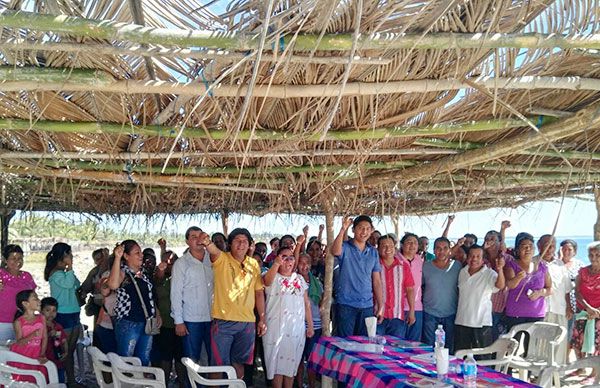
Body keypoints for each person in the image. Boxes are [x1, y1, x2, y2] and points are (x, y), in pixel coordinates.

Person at [199, 228, 266, 380]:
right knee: (217, 366)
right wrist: (207, 242)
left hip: (247, 323)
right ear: (230, 243)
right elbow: (213, 251)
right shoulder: (222, 258)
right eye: (237, 240)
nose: (241, 244)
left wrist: (262, 319)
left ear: (250, 245)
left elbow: (259, 292)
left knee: (239, 364)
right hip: (223, 323)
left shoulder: (254, 264)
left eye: (245, 241)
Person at [263, 247, 314, 388]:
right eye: (284, 257)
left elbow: (306, 304)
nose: (288, 260)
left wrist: (309, 325)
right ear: (277, 258)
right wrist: (276, 264)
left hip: (296, 330)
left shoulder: (298, 279)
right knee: (276, 365)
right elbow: (266, 282)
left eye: (291, 257)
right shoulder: (272, 276)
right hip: (275, 329)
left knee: (291, 365)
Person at [107, 240, 160, 365]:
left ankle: (139, 384)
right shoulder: (123, 273)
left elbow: (149, 297)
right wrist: (117, 258)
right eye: (137, 253)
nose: (141, 255)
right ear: (126, 256)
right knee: (126, 361)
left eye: (140, 252)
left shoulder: (143, 274)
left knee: (144, 359)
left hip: (146, 322)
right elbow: (113, 285)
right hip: (129, 322)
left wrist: (156, 313)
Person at [331, 216, 383, 337]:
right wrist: (343, 229)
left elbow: (376, 281)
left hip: (367, 305)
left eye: (367, 229)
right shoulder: (345, 247)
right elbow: (335, 251)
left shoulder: (373, 252)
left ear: (371, 230)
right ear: (353, 230)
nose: (364, 232)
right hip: (346, 303)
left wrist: (381, 305)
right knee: (345, 343)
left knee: (364, 342)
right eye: (360, 228)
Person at [170, 227, 213, 365]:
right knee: (192, 360)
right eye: (193, 236)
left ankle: (212, 386)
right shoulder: (181, 263)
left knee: (213, 358)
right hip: (191, 320)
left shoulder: (213, 260)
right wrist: (179, 321)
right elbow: (176, 294)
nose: (198, 239)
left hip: (213, 318)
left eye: (200, 235)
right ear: (187, 241)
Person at [454, 245, 505, 353]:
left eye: (478, 256)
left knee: (482, 358)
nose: (474, 259)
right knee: (461, 356)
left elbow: (500, 286)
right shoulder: (463, 272)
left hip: (481, 323)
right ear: (467, 257)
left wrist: (500, 270)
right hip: (462, 321)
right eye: (472, 256)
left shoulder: (489, 273)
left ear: (483, 259)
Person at [44, 242, 81, 385]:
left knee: (69, 351)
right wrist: (70, 268)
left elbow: (77, 283)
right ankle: (65, 380)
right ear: (63, 255)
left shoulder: (65, 273)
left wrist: (69, 270)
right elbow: (69, 284)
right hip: (63, 315)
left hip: (73, 313)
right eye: (69, 253)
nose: (71, 256)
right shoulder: (55, 274)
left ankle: (70, 380)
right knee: (64, 350)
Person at [421, 237, 461, 353]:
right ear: (433, 250)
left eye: (445, 248)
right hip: (430, 313)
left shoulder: (457, 266)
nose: (441, 251)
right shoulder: (426, 266)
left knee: (448, 349)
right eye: (438, 248)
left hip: (450, 314)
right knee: (429, 348)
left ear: (450, 250)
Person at [504, 233, 552, 330]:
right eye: (524, 247)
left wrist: (540, 293)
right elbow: (509, 285)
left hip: (537, 314)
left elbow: (550, 289)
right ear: (517, 250)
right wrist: (517, 278)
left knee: (533, 344)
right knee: (515, 343)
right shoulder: (511, 265)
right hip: (516, 314)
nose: (528, 249)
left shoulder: (542, 266)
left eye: (530, 246)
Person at [154, 247, 186, 388]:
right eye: (166, 261)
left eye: (173, 261)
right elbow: (158, 277)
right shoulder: (158, 279)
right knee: (165, 357)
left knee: (181, 357)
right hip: (165, 325)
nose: (169, 263)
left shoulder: (183, 278)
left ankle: (182, 382)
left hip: (182, 324)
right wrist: (161, 270)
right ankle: (163, 384)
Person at [537, 235, 571, 364]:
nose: (550, 248)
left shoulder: (560, 265)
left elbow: (567, 289)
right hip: (541, 310)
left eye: (553, 245)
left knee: (558, 342)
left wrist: (569, 306)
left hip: (559, 308)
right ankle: (538, 372)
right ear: (539, 246)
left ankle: (555, 373)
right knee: (540, 342)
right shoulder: (534, 263)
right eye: (547, 245)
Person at [377, 234, 415, 337]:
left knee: (396, 349)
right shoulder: (375, 265)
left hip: (397, 317)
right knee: (375, 348)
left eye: (390, 245)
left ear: (395, 248)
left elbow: (410, 289)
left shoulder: (404, 266)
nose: (388, 249)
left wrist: (412, 311)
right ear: (378, 249)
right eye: (384, 246)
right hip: (377, 316)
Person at [0, 244, 37, 342]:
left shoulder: (27, 276)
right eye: (13, 258)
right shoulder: (1, 275)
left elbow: (33, 297)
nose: (17, 261)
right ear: (5, 260)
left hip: (24, 322)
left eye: (20, 258)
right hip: (3, 323)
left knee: (21, 353)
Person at [483, 224, 513, 341]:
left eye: (493, 239)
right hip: (484, 307)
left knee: (496, 339)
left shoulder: (507, 259)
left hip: (501, 307)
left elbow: (508, 282)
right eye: (487, 239)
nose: (489, 242)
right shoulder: (482, 261)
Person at [10, 290, 48, 383]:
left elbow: (45, 337)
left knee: (36, 378)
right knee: (22, 379)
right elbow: (19, 342)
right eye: (35, 299)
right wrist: (31, 336)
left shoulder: (41, 318)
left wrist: (42, 353)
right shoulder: (18, 322)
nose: (39, 301)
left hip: (36, 353)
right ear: (25, 304)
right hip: (22, 354)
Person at [296, 254, 322, 388]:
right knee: (298, 359)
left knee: (312, 358)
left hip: (316, 325)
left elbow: (321, 303)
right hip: (299, 324)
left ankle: (312, 385)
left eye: (308, 263)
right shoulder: (294, 281)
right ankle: (300, 385)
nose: (304, 266)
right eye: (301, 263)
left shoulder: (316, 282)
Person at [571, 242, 600, 360]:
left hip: (598, 313)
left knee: (597, 343)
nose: (593, 258)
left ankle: (594, 373)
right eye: (591, 255)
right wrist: (588, 308)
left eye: (597, 255)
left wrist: (596, 311)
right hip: (583, 311)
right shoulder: (582, 272)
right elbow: (577, 292)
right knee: (579, 341)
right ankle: (580, 367)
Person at [80, 248, 109, 347]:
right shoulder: (94, 272)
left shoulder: (114, 269)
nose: (100, 261)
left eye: (102, 258)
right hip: (98, 307)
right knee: (98, 335)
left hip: (111, 308)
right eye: (97, 259)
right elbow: (85, 287)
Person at [398, 233, 425, 341]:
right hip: (399, 308)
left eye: (415, 243)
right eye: (409, 242)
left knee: (414, 343)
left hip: (417, 307)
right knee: (398, 342)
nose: (412, 245)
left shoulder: (420, 260)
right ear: (402, 245)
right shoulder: (395, 259)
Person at [41, 297, 67, 383]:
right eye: (47, 310)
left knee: (59, 382)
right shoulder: (39, 326)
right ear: (41, 311)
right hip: (44, 362)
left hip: (58, 362)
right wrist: (48, 335)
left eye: (54, 310)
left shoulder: (58, 326)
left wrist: (65, 351)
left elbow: (64, 340)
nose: (51, 313)